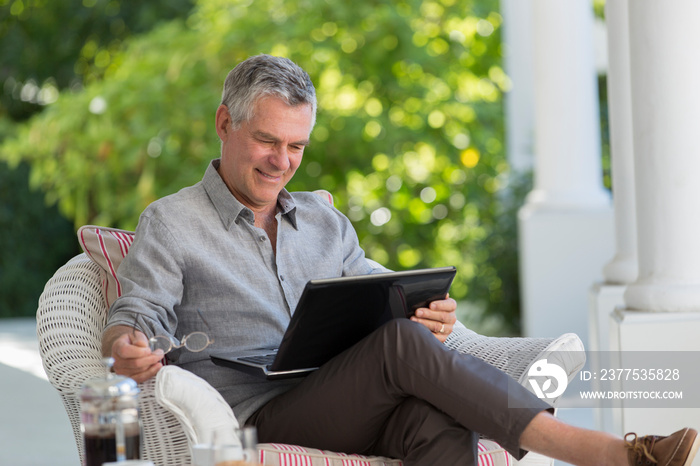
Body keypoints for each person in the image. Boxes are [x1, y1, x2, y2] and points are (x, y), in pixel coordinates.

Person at [103, 54, 698, 466]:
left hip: (346, 398)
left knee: (434, 418)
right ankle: (601, 452)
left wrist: (428, 311)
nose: (281, 161)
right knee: (400, 348)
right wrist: (126, 342)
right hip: (257, 415)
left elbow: (375, 289)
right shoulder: (173, 221)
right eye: (267, 140)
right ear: (225, 124)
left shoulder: (323, 220)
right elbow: (138, 314)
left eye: (296, 146)